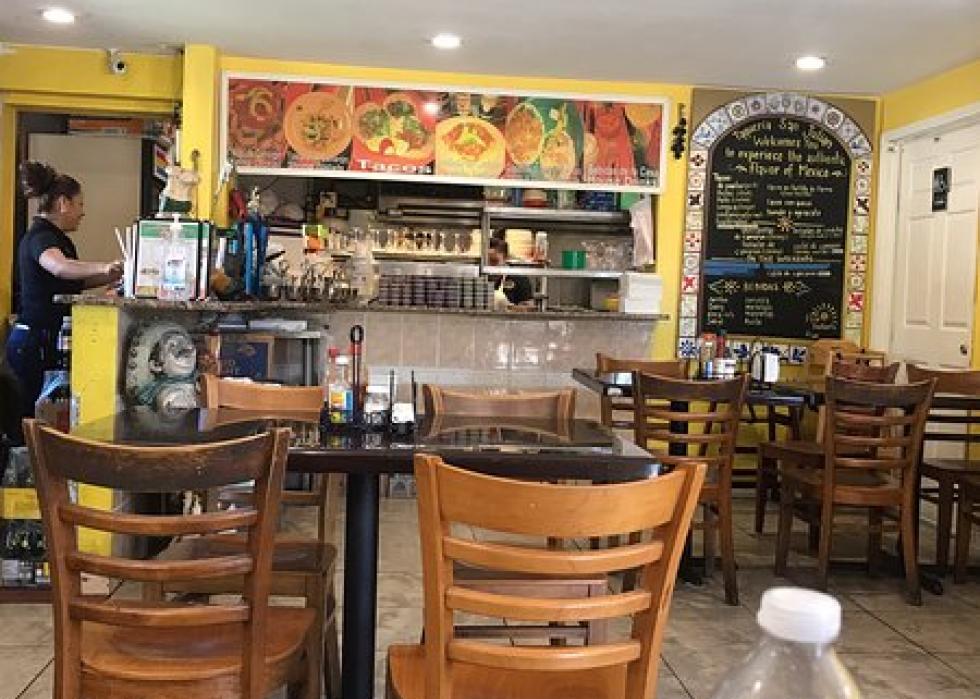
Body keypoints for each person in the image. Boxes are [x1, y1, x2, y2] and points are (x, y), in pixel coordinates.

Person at [5, 161, 122, 419]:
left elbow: (71, 281)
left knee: (44, 415)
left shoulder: (58, 239)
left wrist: (111, 276)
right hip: (33, 341)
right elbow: (59, 267)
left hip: (46, 339)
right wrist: (103, 266)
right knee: (28, 418)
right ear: (63, 203)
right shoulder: (41, 237)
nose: (83, 212)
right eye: (80, 204)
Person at [487, 236, 533, 306]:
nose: (489, 266)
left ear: (506, 258)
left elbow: (528, 307)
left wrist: (510, 308)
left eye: (494, 261)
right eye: (485, 262)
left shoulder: (519, 279)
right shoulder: (478, 279)